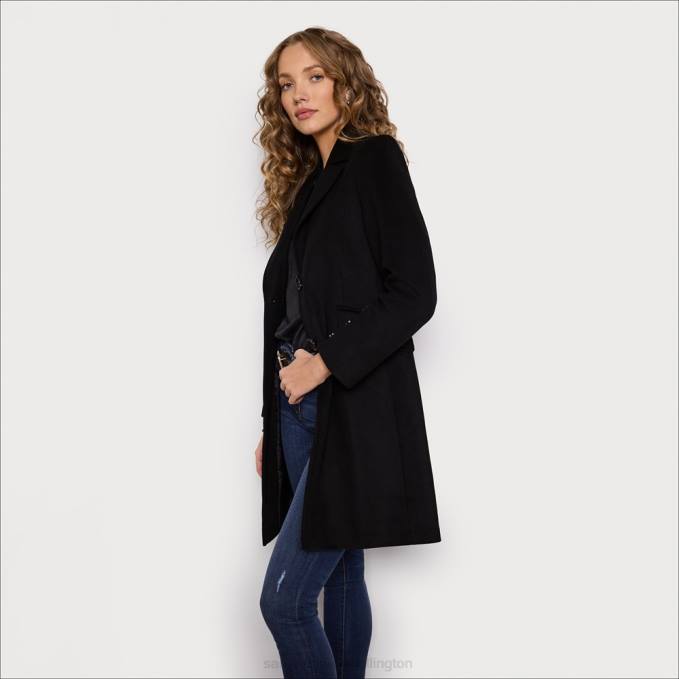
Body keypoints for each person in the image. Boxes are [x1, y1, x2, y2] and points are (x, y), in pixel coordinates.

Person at [252, 27, 441, 679]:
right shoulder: (311, 185)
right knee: (340, 574)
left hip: (349, 404)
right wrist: (270, 419)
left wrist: (322, 363)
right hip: (298, 409)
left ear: (345, 82)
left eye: (314, 76)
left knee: (284, 601)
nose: (298, 95)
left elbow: (414, 292)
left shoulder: (375, 160)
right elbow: (291, 311)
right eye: (285, 84)